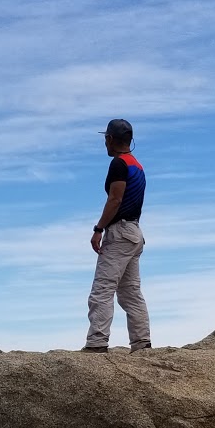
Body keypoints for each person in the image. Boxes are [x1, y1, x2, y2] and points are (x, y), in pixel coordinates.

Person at [83, 118, 151, 352]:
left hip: (120, 233)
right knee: (130, 292)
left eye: (105, 139)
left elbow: (115, 199)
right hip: (135, 233)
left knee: (102, 289)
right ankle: (142, 343)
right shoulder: (137, 166)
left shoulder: (119, 164)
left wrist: (98, 229)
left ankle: (97, 343)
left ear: (110, 139)